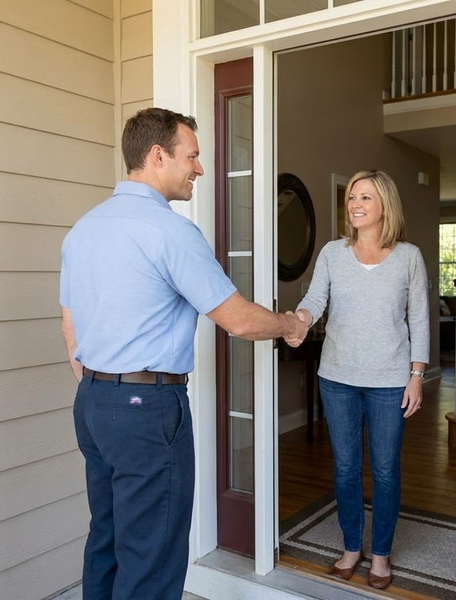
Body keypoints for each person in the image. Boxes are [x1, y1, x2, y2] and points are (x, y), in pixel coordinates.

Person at [60, 107, 308, 600]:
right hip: (147, 411)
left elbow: (70, 323)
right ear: (157, 156)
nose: (199, 168)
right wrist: (289, 324)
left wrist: (102, 389)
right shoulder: (170, 232)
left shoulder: (83, 229)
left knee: (107, 537)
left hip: (93, 403)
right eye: (192, 156)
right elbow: (236, 318)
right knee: (151, 555)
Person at [285, 170, 429, 590]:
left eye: (365, 196)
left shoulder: (408, 257)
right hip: (337, 377)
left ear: (385, 204)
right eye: (351, 197)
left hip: (389, 379)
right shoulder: (332, 253)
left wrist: (417, 376)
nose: (355, 204)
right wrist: (300, 318)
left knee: (385, 471)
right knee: (346, 469)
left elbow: (419, 319)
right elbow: (315, 298)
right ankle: (352, 547)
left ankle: (380, 554)